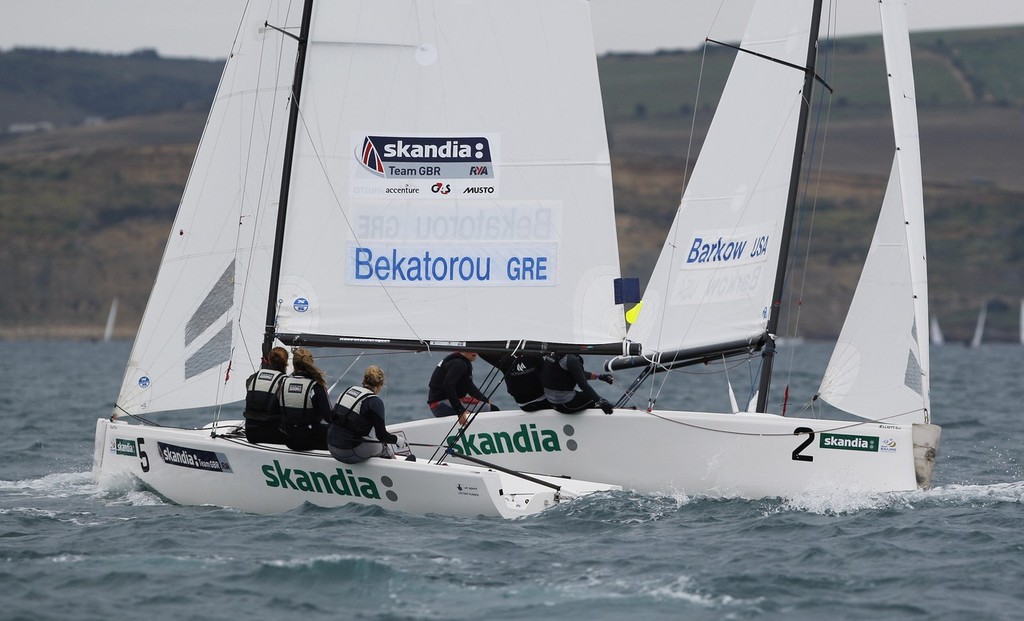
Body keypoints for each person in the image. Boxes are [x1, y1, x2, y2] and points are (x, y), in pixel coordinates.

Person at [327, 365, 403, 464]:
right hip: (349, 452)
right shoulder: (375, 402)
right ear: (380, 384)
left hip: (331, 446)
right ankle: (396, 471)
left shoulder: (348, 390)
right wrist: (397, 440)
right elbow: (381, 436)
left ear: (363, 380)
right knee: (384, 448)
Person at [278, 348, 330, 451]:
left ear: (293, 364)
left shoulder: (282, 382)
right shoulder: (316, 386)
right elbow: (329, 417)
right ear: (311, 363)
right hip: (308, 440)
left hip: (288, 438)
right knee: (333, 430)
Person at [427, 351, 497, 426]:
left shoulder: (459, 360)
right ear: (462, 349)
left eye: (475, 348)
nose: (474, 351)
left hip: (438, 405)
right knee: (492, 409)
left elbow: (469, 387)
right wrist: (460, 410)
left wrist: (485, 400)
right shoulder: (459, 363)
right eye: (470, 348)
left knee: (488, 406)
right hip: (441, 405)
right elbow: (448, 386)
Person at [540, 352, 615, 414]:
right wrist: (601, 402)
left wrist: (600, 376)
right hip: (564, 404)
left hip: (551, 400)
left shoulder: (555, 353)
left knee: (590, 396)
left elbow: (578, 374)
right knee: (594, 400)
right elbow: (583, 385)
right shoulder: (571, 359)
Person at [243, 346, 289, 444]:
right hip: (273, 435)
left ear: (268, 360)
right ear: (286, 362)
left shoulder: (252, 378)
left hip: (250, 434)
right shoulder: (285, 382)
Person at [479, 351, 553, 412]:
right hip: (545, 401)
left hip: (524, 405)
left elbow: (481, 352)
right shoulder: (534, 355)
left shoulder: (504, 359)